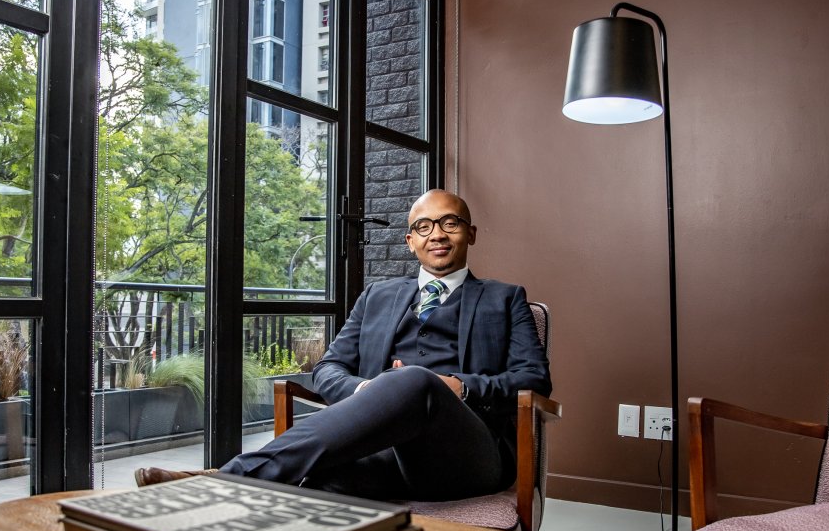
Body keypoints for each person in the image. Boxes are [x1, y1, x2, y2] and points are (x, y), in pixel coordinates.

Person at [134, 189, 551, 501]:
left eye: (450, 223)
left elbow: (534, 378)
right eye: (423, 227)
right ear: (410, 241)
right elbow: (328, 369)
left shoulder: (505, 297)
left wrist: (459, 387)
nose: (436, 235)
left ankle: (224, 477)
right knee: (314, 486)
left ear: (470, 233)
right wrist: (365, 391)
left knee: (417, 382)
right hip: (381, 450)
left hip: (467, 457)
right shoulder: (377, 296)